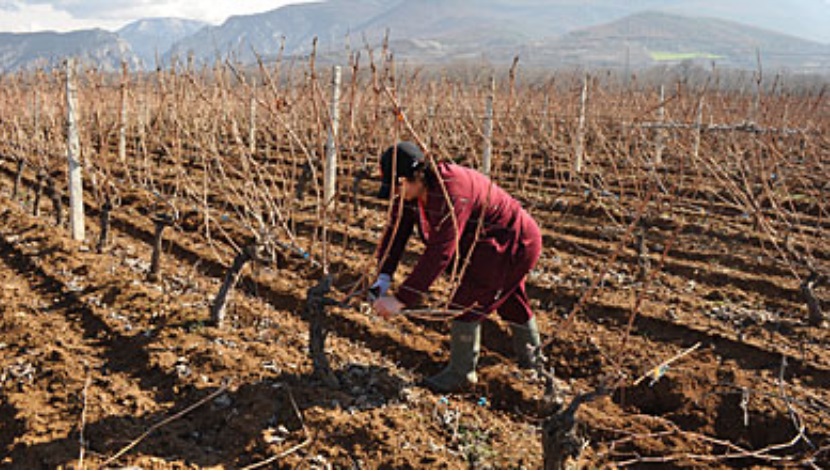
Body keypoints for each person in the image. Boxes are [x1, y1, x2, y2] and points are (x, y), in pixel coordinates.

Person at [370, 141, 543, 393]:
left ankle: (462, 373)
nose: (395, 193)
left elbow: (440, 251)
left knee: (467, 303)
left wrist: (402, 298)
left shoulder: (450, 190)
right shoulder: (411, 192)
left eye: (398, 186)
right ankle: (534, 364)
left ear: (415, 177)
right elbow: (396, 233)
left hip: (511, 243)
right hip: (485, 246)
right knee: (510, 299)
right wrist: (383, 276)